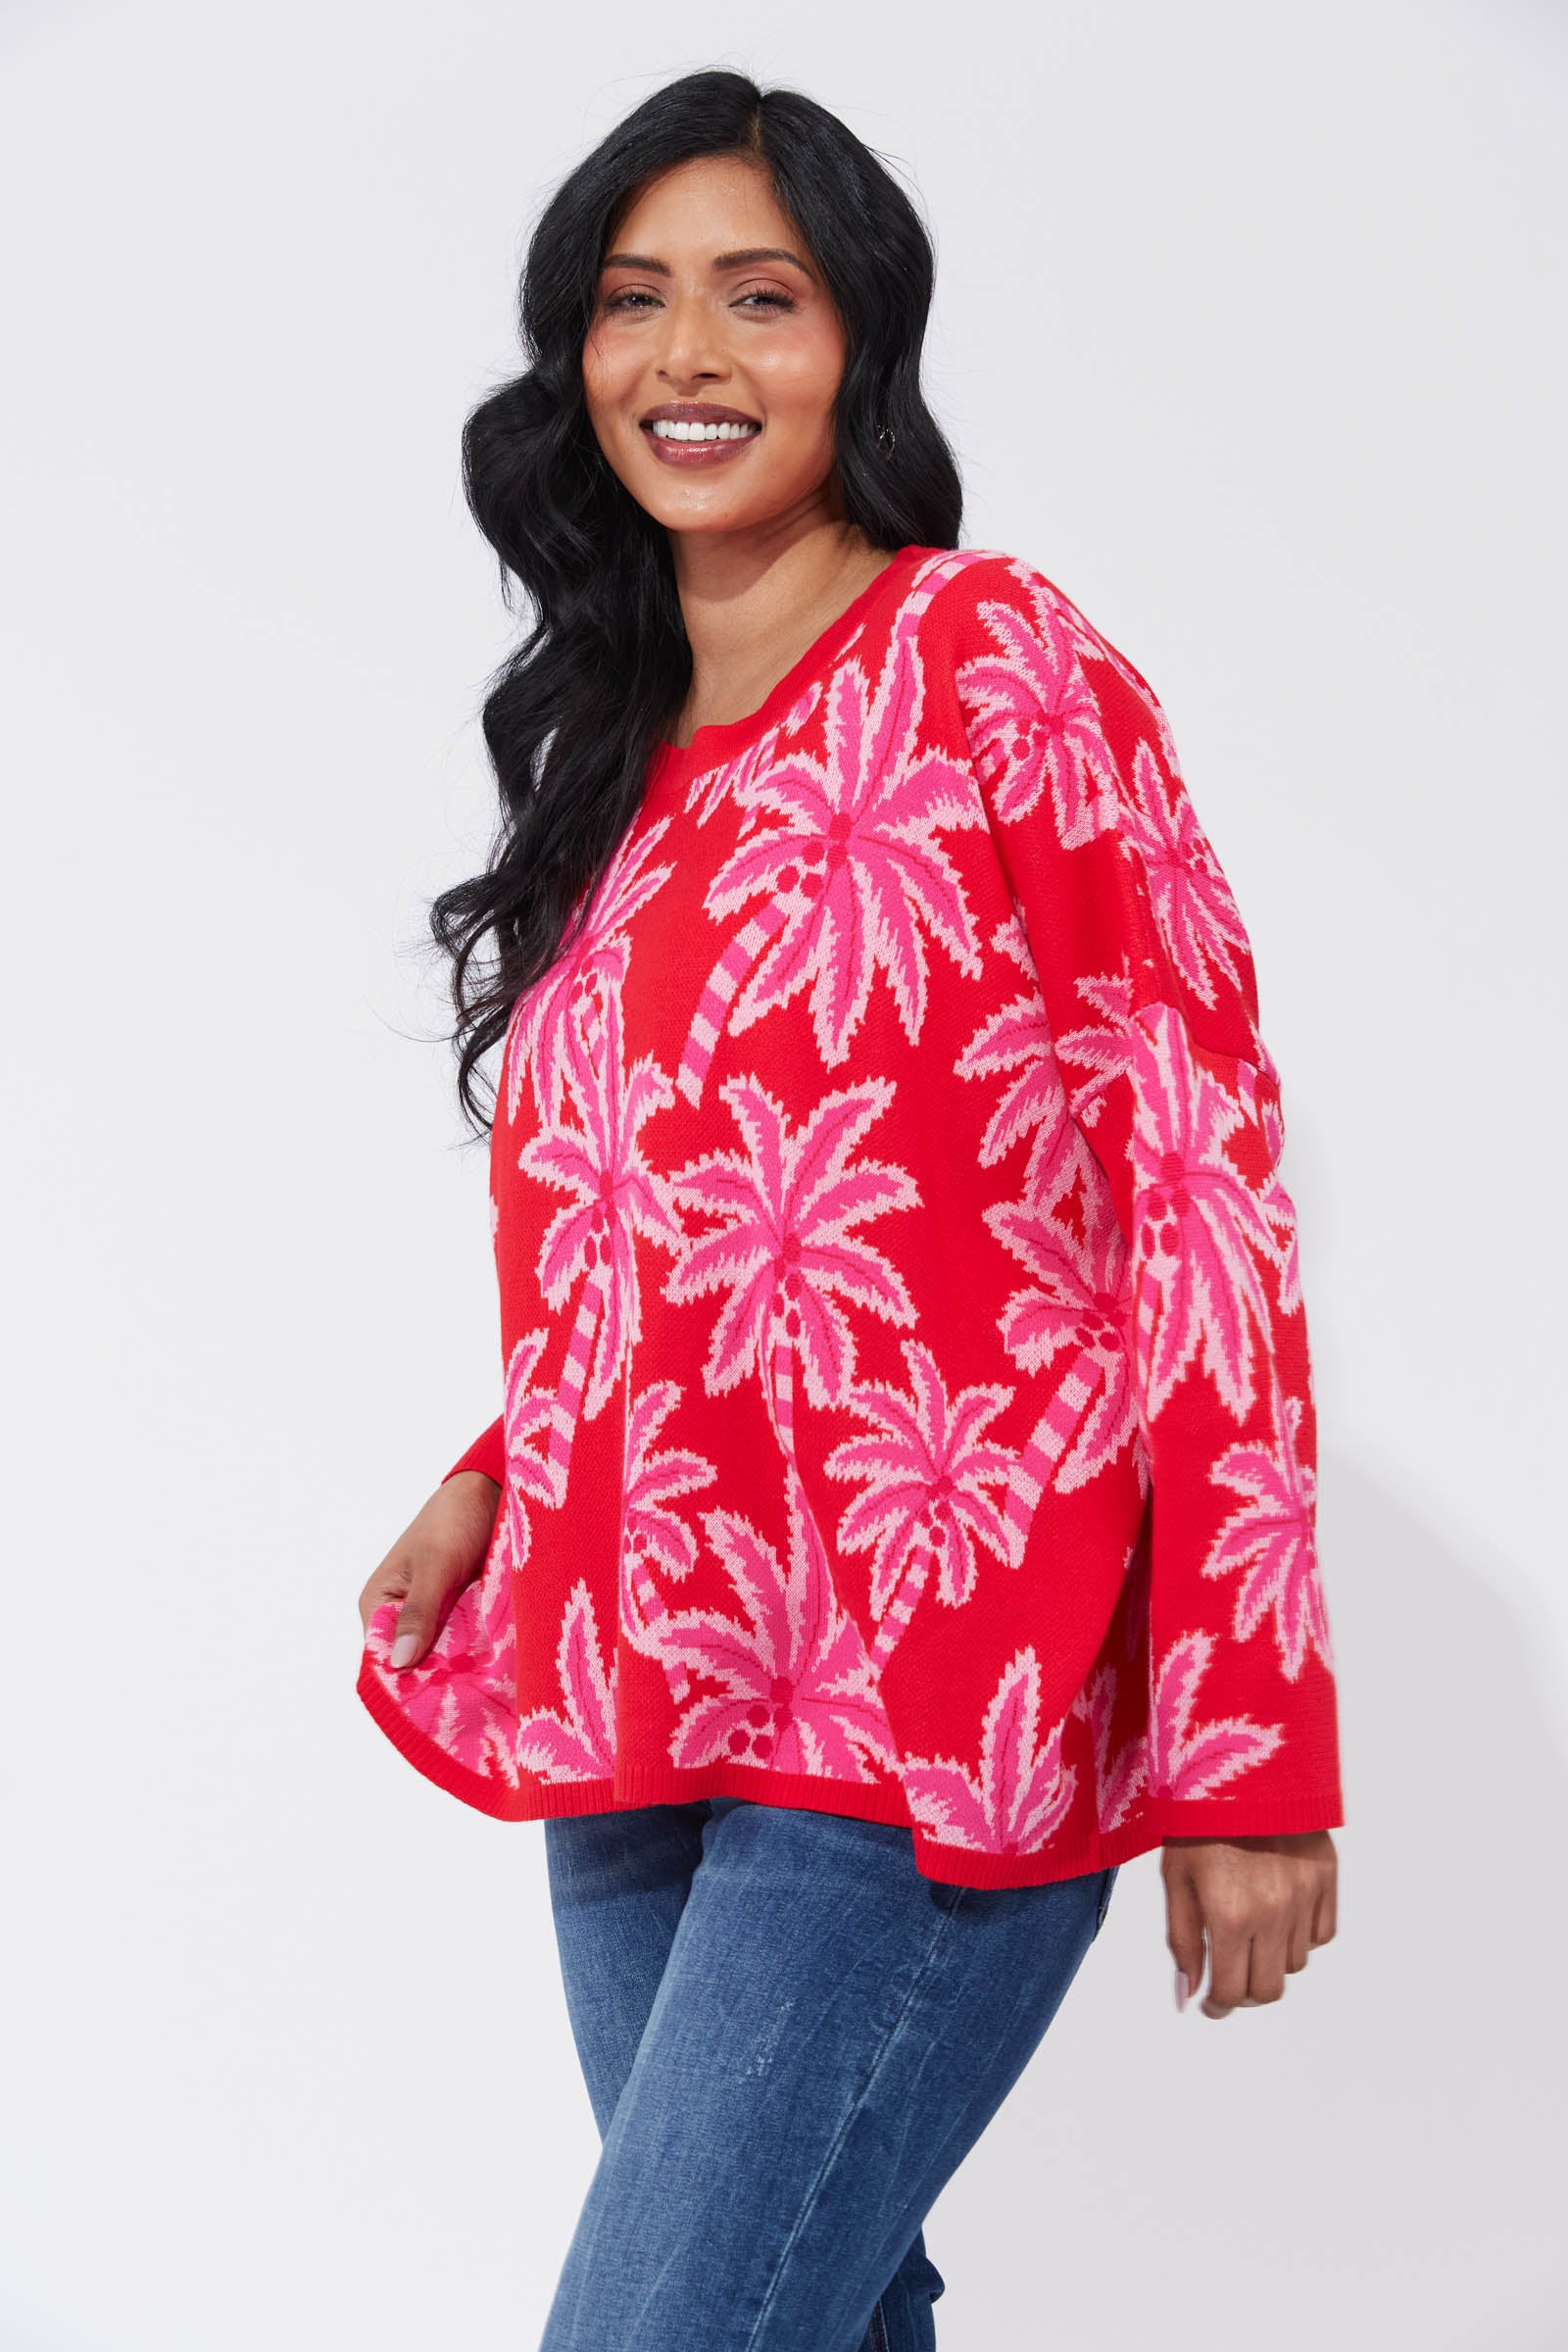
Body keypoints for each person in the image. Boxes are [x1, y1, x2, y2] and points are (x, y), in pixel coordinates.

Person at [355, 68, 1344, 2352]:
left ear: (860, 341)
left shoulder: (991, 660)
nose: (686, 357)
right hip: (636, 1687)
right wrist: (502, 1466)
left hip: (926, 1690)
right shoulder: (615, 766)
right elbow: (722, 1222)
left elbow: (1191, 1186)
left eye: (758, 298)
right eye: (631, 301)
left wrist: (1250, 1739)